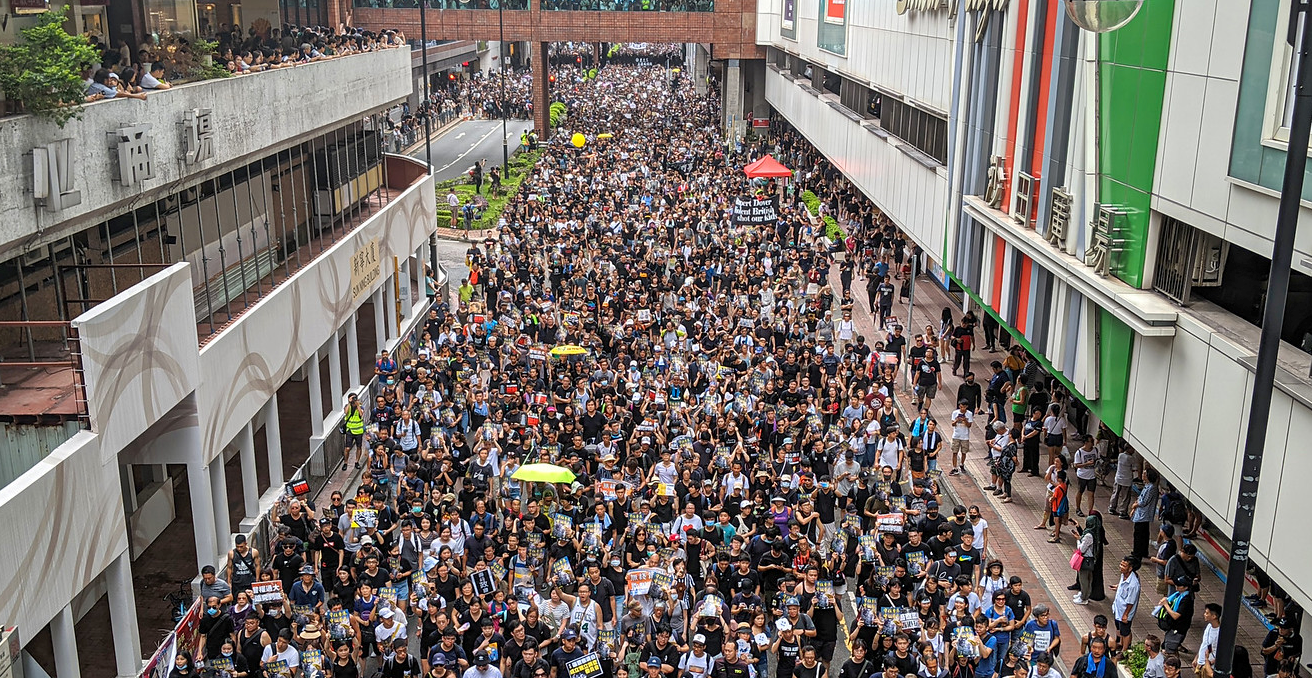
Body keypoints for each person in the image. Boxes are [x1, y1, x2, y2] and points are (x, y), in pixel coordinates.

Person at [1111, 555, 1142, 654]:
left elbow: (1131, 601)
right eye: (1121, 564)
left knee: (1125, 631)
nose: (1121, 567)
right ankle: (1120, 643)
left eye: (1124, 566)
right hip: (1118, 608)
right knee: (1119, 627)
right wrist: (1118, 586)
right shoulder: (1123, 575)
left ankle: (1125, 649)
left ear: (1130, 568)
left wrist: (1126, 614)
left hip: (1125, 611)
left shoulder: (1133, 584)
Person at [1194, 603, 1221, 678]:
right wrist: (1197, 657)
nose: (1204, 614)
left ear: (1214, 616)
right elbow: (1204, 643)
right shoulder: (1209, 626)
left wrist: (1210, 662)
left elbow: (1222, 651)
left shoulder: (1220, 633)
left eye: (1207, 613)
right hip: (1200, 663)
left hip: (1209, 666)